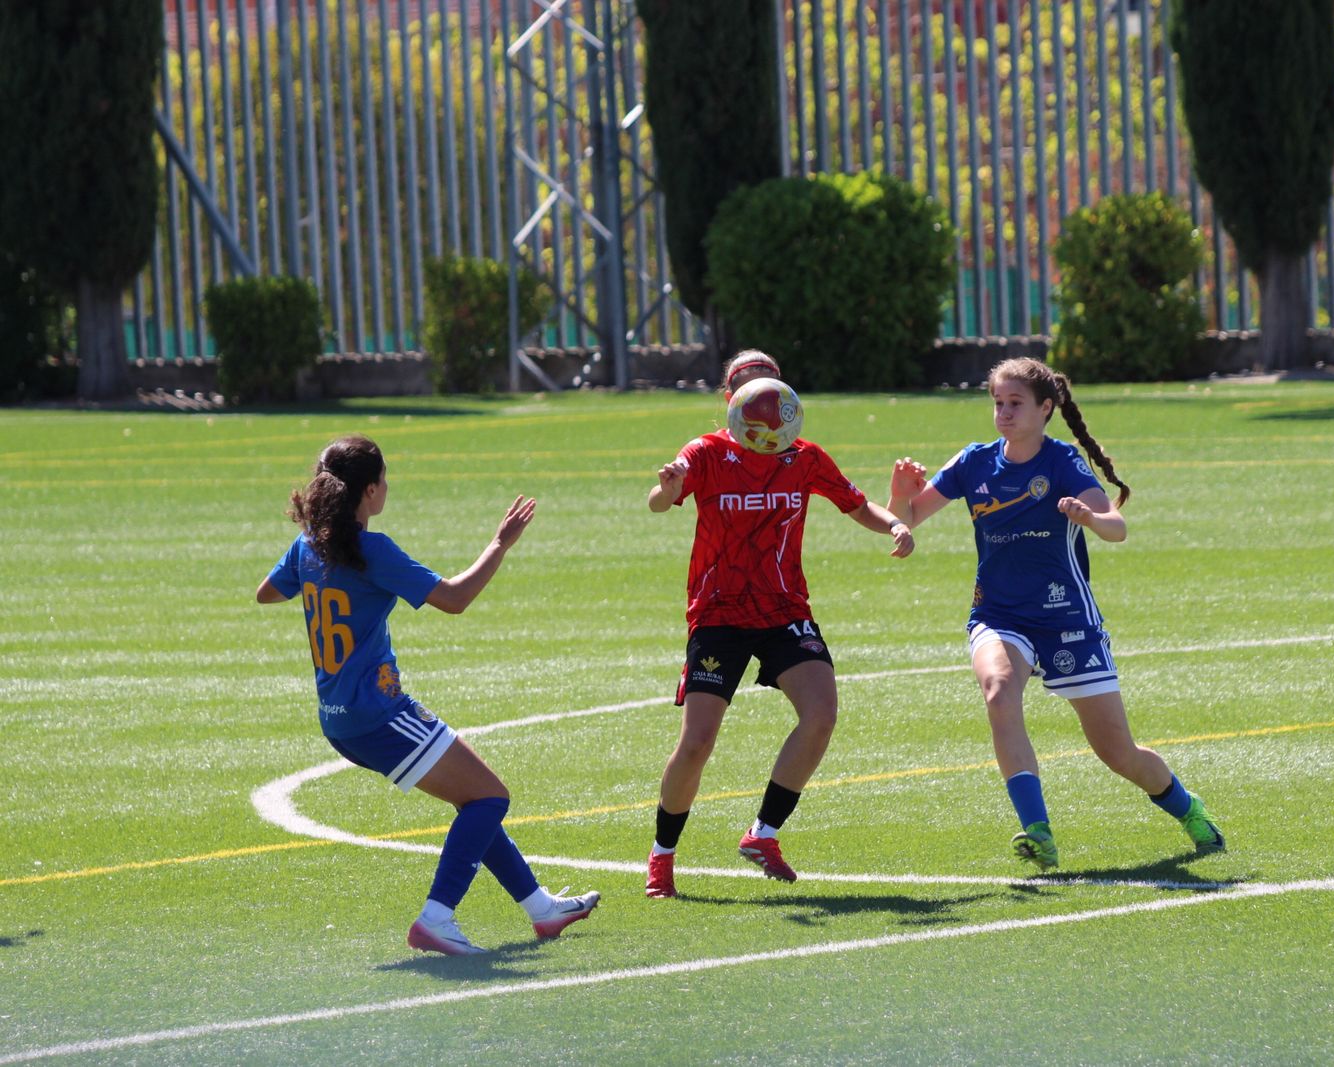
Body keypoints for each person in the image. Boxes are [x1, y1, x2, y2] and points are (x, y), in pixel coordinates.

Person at [256, 434, 600, 955]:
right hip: (378, 714)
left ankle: (541, 910)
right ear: (370, 491)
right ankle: (437, 918)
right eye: (385, 481)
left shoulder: (309, 546)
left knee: (474, 797)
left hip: (338, 719)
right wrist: (500, 543)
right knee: (490, 797)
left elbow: (268, 592)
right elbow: (455, 598)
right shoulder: (372, 550)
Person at [886, 357, 1225, 871]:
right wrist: (898, 495)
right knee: (999, 691)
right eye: (997, 403)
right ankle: (1038, 831)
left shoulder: (1062, 461)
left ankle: (1187, 808)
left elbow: (1117, 528)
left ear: (1046, 408)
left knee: (1117, 752)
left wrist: (1090, 516)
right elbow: (907, 516)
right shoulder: (974, 463)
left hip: (1066, 617)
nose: (1003, 413)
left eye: (1015, 403)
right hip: (999, 615)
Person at [643, 350, 916, 898]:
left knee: (820, 715)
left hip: (785, 609)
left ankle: (762, 835)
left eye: (768, 381)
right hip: (719, 613)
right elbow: (659, 501)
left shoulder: (804, 457)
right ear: (731, 399)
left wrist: (894, 526)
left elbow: (857, 504)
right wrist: (669, 486)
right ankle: (662, 856)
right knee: (697, 742)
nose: (761, 393)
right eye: (746, 383)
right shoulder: (707, 452)